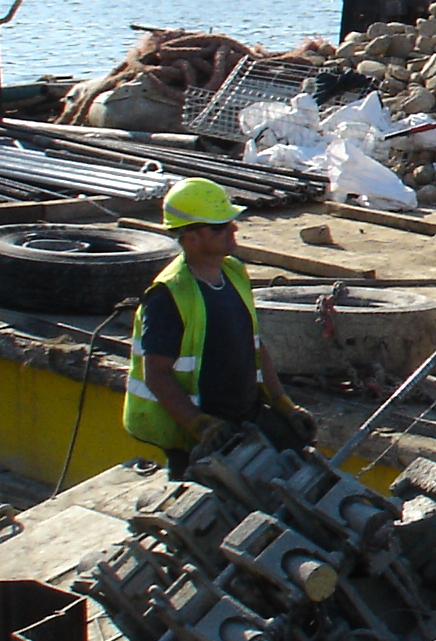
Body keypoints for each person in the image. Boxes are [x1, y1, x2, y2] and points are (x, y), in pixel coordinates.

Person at [125, 178, 315, 475]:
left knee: (300, 468)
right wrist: (199, 425)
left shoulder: (234, 273)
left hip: (245, 418)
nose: (233, 230)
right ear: (190, 238)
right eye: (219, 227)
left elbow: (254, 346)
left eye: (230, 222)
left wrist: (281, 403)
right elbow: (157, 374)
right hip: (199, 434)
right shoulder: (169, 294)